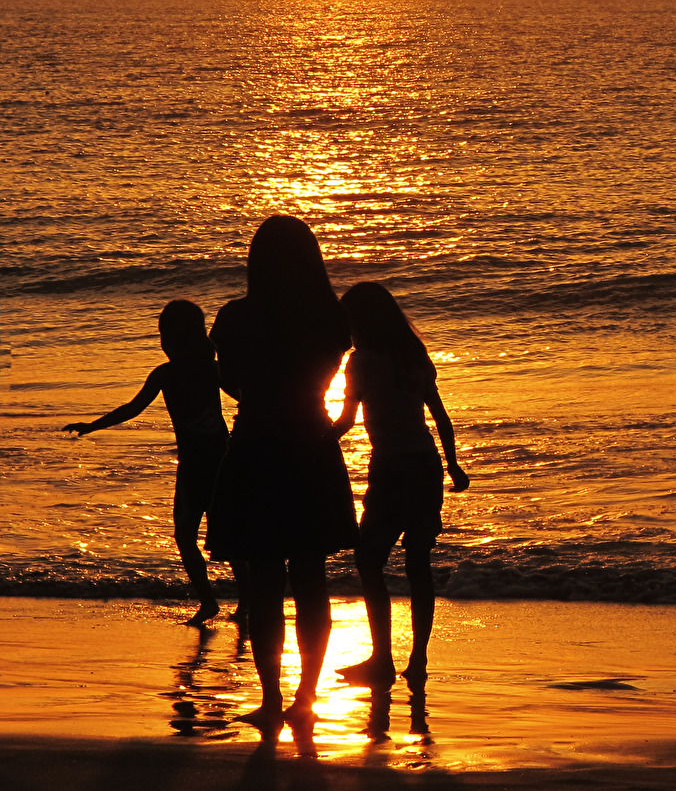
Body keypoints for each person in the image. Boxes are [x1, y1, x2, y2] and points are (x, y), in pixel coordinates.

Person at [205, 215, 356, 736]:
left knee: (266, 580)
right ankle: (306, 697)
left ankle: (272, 697)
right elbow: (325, 375)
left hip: (256, 446)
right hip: (310, 446)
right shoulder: (331, 319)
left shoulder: (235, 318)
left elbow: (229, 383)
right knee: (311, 580)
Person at [62, 299, 244, 627]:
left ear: (180, 338)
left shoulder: (189, 371)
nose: (164, 343)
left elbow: (133, 408)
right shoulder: (193, 371)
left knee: (197, 536)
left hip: (210, 466)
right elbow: (133, 408)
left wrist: (92, 426)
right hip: (209, 464)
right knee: (207, 536)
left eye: (167, 336)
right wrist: (92, 426)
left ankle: (222, 603)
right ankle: (225, 603)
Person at [330, 281, 470, 690]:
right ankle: (418, 659)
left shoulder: (361, 361)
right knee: (417, 564)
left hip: (391, 468)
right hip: (426, 468)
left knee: (370, 561)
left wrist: (312, 440)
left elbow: (346, 421)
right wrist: (453, 466)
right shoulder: (415, 355)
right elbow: (440, 417)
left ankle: (383, 659)